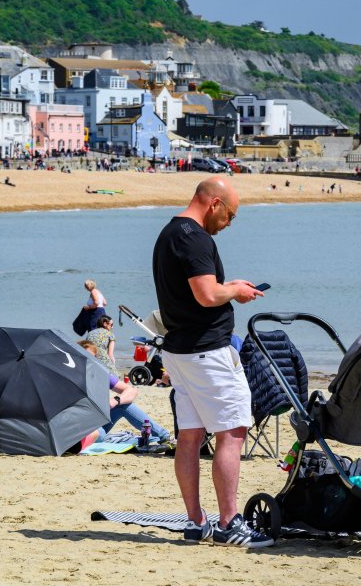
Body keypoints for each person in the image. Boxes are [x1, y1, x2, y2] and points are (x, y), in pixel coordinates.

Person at [151, 176, 273, 548]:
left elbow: (197, 290)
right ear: (214, 203)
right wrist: (232, 291)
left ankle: (194, 521)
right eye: (230, 215)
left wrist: (229, 286)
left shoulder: (171, 233)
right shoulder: (195, 238)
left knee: (189, 436)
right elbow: (206, 296)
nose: (230, 223)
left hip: (178, 350)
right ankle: (229, 522)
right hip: (207, 350)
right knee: (233, 431)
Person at [77, 340, 170, 443]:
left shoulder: (99, 373)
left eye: (93, 357)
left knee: (124, 405)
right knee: (100, 436)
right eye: (85, 356)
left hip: (98, 422)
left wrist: (115, 401)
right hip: (83, 428)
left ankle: (163, 436)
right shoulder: (71, 376)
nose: (90, 360)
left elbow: (132, 391)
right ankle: (147, 440)